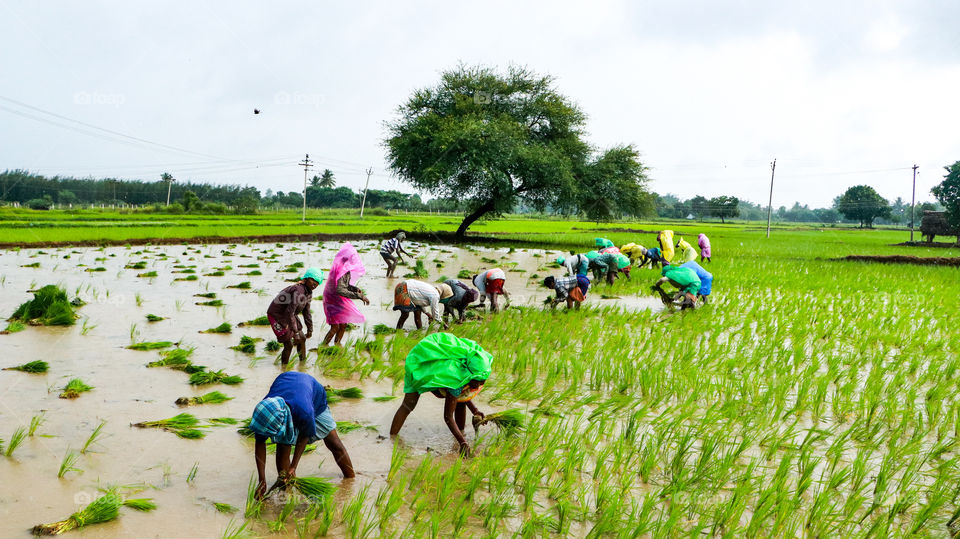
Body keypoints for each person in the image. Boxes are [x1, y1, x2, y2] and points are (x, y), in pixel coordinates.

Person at [250, 371, 354, 500]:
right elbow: (259, 443)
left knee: (334, 443)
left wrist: (294, 466)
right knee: (283, 447)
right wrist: (262, 480)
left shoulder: (305, 411)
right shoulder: (266, 411)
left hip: (314, 396)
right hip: (287, 382)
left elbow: (304, 436)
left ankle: (351, 480)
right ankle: (285, 491)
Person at [389, 333, 492, 456]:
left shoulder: (471, 371)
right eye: (478, 381)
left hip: (442, 368)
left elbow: (463, 397)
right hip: (421, 361)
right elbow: (448, 417)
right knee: (408, 405)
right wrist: (463, 443)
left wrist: (475, 410)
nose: (480, 384)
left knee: (460, 404)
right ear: (470, 375)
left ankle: (459, 434)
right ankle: (391, 440)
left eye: (483, 381)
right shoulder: (455, 380)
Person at [267, 268, 321, 365]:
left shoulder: (308, 292)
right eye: (313, 280)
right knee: (289, 344)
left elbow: (306, 312)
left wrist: (310, 329)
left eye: (317, 283)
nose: (315, 284)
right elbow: (289, 311)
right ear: (306, 279)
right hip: (277, 315)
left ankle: (302, 365)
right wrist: (295, 332)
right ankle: (284, 370)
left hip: (289, 314)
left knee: (302, 338)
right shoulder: (298, 290)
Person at [322, 243, 370, 347]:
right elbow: (340, 289)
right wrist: (360, 296)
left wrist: (355, 289)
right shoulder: (340, 269)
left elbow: (345, 285)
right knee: (335, 326)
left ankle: (337, 344)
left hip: (337, 299)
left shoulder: (345, 269)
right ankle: (323, 346)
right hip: (332, 300)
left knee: (344, 324)